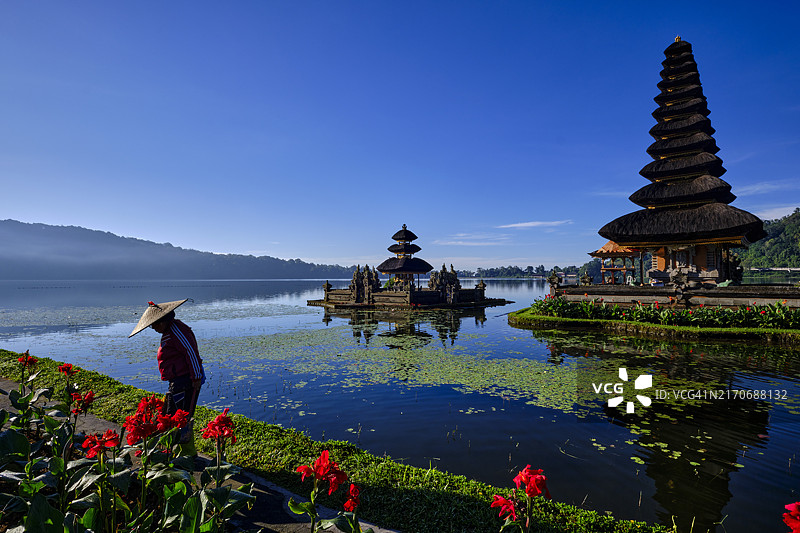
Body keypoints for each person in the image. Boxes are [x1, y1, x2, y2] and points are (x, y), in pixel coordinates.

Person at [129, 299, 205, 451]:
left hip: (185, 381)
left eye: (155, 324)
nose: (153, 328)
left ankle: (184, 453)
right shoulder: (170, 331)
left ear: (163, 321)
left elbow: (191, 353)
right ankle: (173, 450)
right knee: (170, 415)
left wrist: (196, 378)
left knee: (181, 418)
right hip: (177, 381)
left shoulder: (177, 330)